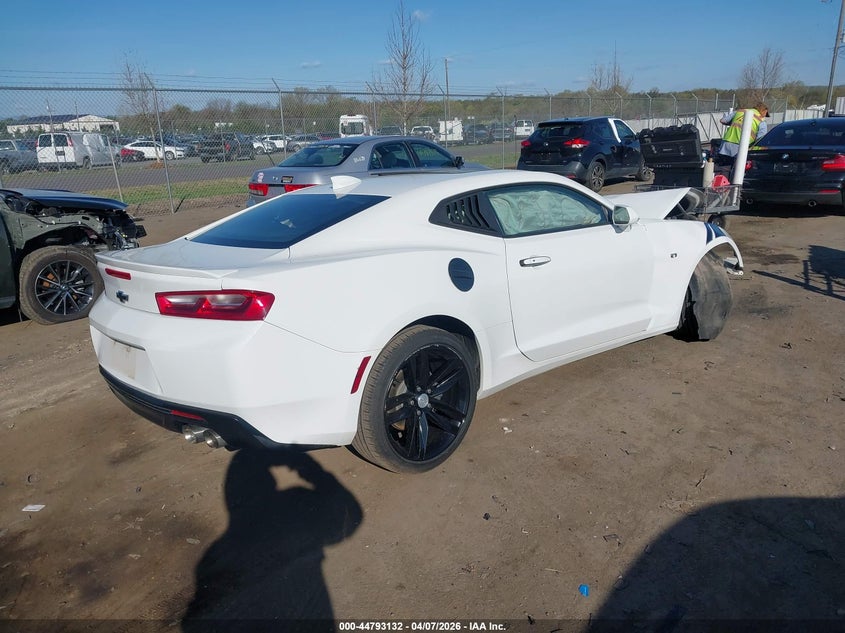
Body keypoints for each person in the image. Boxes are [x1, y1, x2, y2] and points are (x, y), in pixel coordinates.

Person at [716, 102, 769, 173]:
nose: (765, 116)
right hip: (741, 148)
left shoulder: (740, 111)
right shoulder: (761, 121)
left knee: (722, 170)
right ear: (764, 111)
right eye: (765, 114)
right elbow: (761, 140)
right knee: (736, 173)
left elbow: (723, 120)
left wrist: (734, 122)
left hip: (725, 145)